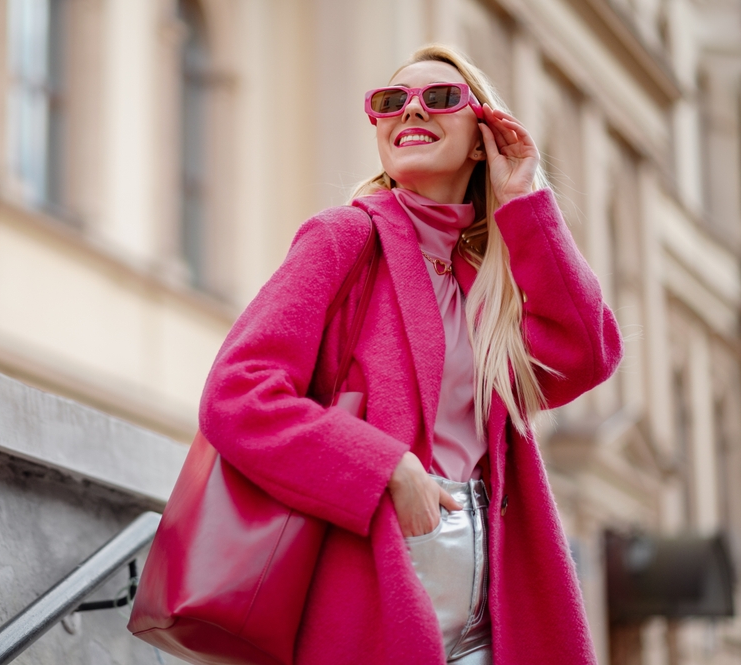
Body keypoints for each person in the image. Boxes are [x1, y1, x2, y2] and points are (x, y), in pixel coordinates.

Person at [198, 44, 623, 665]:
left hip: (494, 588)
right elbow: (238, 392)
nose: (410, 110)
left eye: (441, 98)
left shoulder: (488, 279)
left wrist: (526, 204)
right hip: (377, 568)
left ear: (483, 138)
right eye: (391, 101)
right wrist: (383, 467)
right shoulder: (344, 238)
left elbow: (587, 353)